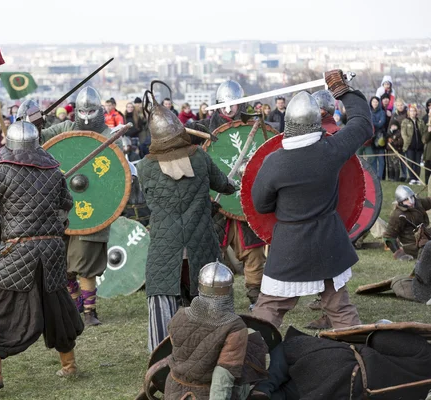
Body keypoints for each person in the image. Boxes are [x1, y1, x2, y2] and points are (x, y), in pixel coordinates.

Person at [0, 121, 83, 396]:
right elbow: (65, 212)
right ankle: (69, 365)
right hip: (52, 249)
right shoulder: (53, 171)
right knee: (56, 305)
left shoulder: (0, 170)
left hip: (18, 249)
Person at [250, 70, 371, 329]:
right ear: (317, 121)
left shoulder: (274, 163)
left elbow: (261, 205)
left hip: (289, 247)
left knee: (268, 310)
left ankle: (249, 362)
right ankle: (358, 363)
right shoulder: (331, 151)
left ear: (289, 124)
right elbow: (361, 122)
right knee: (339, 309)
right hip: (328, 243)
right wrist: (343, 91)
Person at [137, 92, 236, 351]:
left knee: (163, 294)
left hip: (165, 244)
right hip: (198, 239)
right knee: (206, 293)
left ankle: (162, 350)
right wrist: (224, 190)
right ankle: (210, 344)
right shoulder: (199, 156)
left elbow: (153, 199)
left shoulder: (145, 167)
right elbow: (223, 185)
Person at [187, 81, 267, 308]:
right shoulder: (203, 129)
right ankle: (213, 298)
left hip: (244, 202)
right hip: (215, 203)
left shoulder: (254, 126)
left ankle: (254, 296)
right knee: (212, 253)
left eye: (233, 105)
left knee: (254, 253)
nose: (229, 109)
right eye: (225, 105)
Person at [42, 86, 117, 326]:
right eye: (82, 111)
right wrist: (33, 123)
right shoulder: (66, 129)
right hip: (63, 208)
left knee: (85, 263)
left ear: (99, 111)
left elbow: (118, 175)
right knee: (63, 265)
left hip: (93, 208)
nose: (85, 116)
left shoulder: (109, 135)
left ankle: (89, 312)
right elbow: (41, 138)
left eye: (90, 110)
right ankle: (74, 309)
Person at [164, 261, 267, 400]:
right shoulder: (235, 327)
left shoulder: (180, 315)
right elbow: (222, 377)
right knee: (259, 348)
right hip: (206, 394)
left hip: (174, 392)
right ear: (229, 290)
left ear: (201, 287)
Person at [249, 325, 431, 400]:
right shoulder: (421, 393)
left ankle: (263, 387)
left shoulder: (425, 353)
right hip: (343, 391)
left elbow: (379, 338)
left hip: (341, 362)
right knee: (291, 392)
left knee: (289, 347)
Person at [383, 185, 431, 260]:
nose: (411, 201)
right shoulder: (398, 215)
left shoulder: (417, 203)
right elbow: (388, 237)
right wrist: (399, 254)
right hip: (413, 245)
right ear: (401, 201)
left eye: (411, 197)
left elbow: (428, 201)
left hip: (426, 235)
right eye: (406, 199)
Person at [402, 104, 426, 185]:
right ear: (409, 112)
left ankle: (417, 178)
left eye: (414, 111)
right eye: (411, 111)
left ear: (416, 112)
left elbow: (423, 132)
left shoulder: (420, 121)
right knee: (410, 162)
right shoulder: (406, 121)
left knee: (417, 163)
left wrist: (423, 142)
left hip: (419, 146)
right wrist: (407, 141)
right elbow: (403, 133)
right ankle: (412, 178)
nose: (413, 113)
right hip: (410, 146)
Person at [369, 96, 386, 180]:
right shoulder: (369, 112)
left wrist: (373, 122)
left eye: (376, 102)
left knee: (381, 158)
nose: (375, 103)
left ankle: (380, 175)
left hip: (380, 137)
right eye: (373, 102)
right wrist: (376, 122)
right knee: (373, 157)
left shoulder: (382, 112)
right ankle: (374, 175)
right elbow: (369, 123)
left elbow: (381, 123)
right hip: (371, 136)